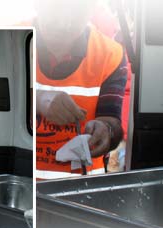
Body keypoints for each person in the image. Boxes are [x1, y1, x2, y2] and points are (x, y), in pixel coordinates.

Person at [34, 0, 126, 179]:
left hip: (80, 189)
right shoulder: (13, 40)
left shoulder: (110, 55)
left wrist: (106, 130)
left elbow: (112, 119)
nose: (64, 23)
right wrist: (37, 99)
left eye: (77, 10)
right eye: (55, 6)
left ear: (92, 9)